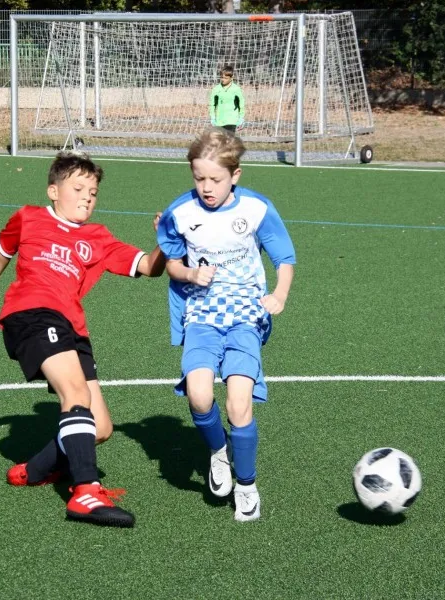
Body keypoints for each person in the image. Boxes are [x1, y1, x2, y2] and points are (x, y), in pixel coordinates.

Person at [0, 151, 166, 528]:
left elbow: (150, 267)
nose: (87, 197)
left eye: (93, 192)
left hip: (73, 327)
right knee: (76, 394)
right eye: (78, 189)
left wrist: (166, 241)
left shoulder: (98, 238)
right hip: (31, 313)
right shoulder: (28, 217)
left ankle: (36, 469)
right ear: (53, 191)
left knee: (101, 428)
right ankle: (86, 492)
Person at [156, 128, 295, 522]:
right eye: (199, 178)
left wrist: (279, 295)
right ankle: (219, 452)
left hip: (246, 315)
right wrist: (189, 274)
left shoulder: (256, 209)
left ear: (235, 175)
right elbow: (171, 262)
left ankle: (247, 485)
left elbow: (284, 258)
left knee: (238, 403)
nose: (206, 187)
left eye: (215, 179)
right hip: (201, 314)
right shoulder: (180, 212)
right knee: (199, 396)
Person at [208, 65, 245, 133]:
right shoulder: (216, 89)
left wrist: (241, 118)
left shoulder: (236, 89)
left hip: (232, 121)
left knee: (229, 139)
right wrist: (212, 117)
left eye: (226, 78)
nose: (223, 80)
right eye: (221, 77)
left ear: (231, 78)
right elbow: (212, 104)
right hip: (219, 121)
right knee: (220, 139)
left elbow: (241, 104)